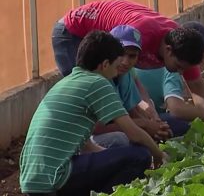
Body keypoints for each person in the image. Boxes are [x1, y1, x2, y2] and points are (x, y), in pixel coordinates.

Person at [20, 30, 164, 195]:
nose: (118, 72)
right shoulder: (98, 83)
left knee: (121, 154)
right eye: (116, 66)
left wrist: (111, 158)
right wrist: (158, 155)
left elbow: (85, 145)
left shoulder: (69, 81)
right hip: (56, 177)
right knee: (139, 156)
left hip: (34, 180)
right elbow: (134, 133)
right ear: (104, 65)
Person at [52, 0, 204, 136]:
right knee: (87, 94)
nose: (181, 73)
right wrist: (142, 123)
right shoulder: (139, 36)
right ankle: (86, 146)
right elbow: (111, 85)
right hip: (73, 31)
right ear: (168, 50)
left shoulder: (183, 44)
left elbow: (197, 85)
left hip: (110, 39)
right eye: (179, 67)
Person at [92, 25, 190, 148]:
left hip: (116, 128)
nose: (126, 62)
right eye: (121, 54)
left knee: (173, 125)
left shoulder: (124, 76)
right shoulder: (97, 77)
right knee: (121, 139)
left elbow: (133, 110)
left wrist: (155, 126)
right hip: (86, 141)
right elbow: (97, 128)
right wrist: (146, 125)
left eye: (132, 56)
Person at [135, 21, 204, 122]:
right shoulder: (173, 66)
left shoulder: (170, 58)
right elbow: (175, 109)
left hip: (139, 113)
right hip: (141, 116)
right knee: (186, 122)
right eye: (202, 50)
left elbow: (198, 86)